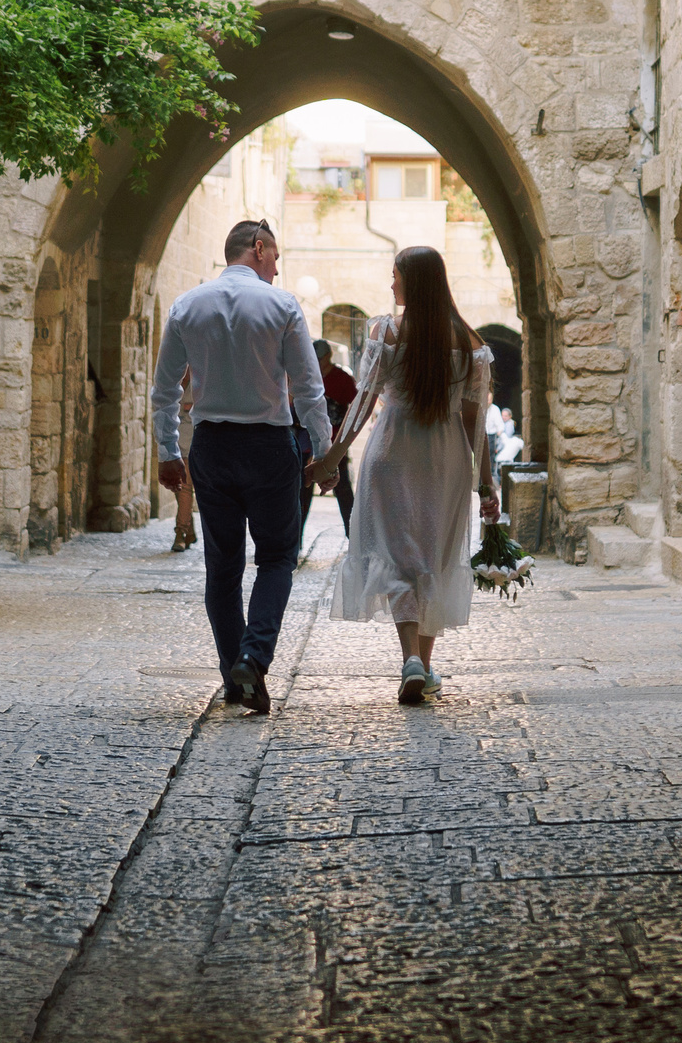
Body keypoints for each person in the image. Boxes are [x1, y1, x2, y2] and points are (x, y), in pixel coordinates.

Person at [152, 219, 331, 717]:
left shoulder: (188, 305)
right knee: (276, 558)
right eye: (274, 258)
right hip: (269, 447)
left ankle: (234, 674)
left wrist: (168, 451)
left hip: (212, 446)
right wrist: (325, 451)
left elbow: (165, 388)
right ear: (258, 248)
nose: (276, 269)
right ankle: (253, 657)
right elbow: (308, 387)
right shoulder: (282, 305)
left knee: (223, 566)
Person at [309, 245, 499, 706]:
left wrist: (333, 457)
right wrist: (486, 482)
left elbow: (363, 402)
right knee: (431, 555)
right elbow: (476, 421)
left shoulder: (387, 332)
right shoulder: (471, 343)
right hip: (445, 460)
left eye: (395, 275)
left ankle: (413, 659)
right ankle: (424, 666)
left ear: (413, 282)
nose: (390, 283)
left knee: (397, 555)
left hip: (392, 454)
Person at [312, 337, 358, 534]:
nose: (318, 363)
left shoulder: (342, 379)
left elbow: (356, 407)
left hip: (336, 441)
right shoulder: (309, 376)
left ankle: (353, 534)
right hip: (309, 441)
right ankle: (294, 543)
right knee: (301, 491)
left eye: (320, 359)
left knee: (343, 489)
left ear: (328, 356)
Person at [168, 366, 199, 551]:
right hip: (172, 440)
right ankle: (191, 530)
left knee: (185, 487)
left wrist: (188, 407)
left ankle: (180, 532)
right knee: (177, 487)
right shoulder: (171, 381)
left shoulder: (201, 381)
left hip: (190, 441)